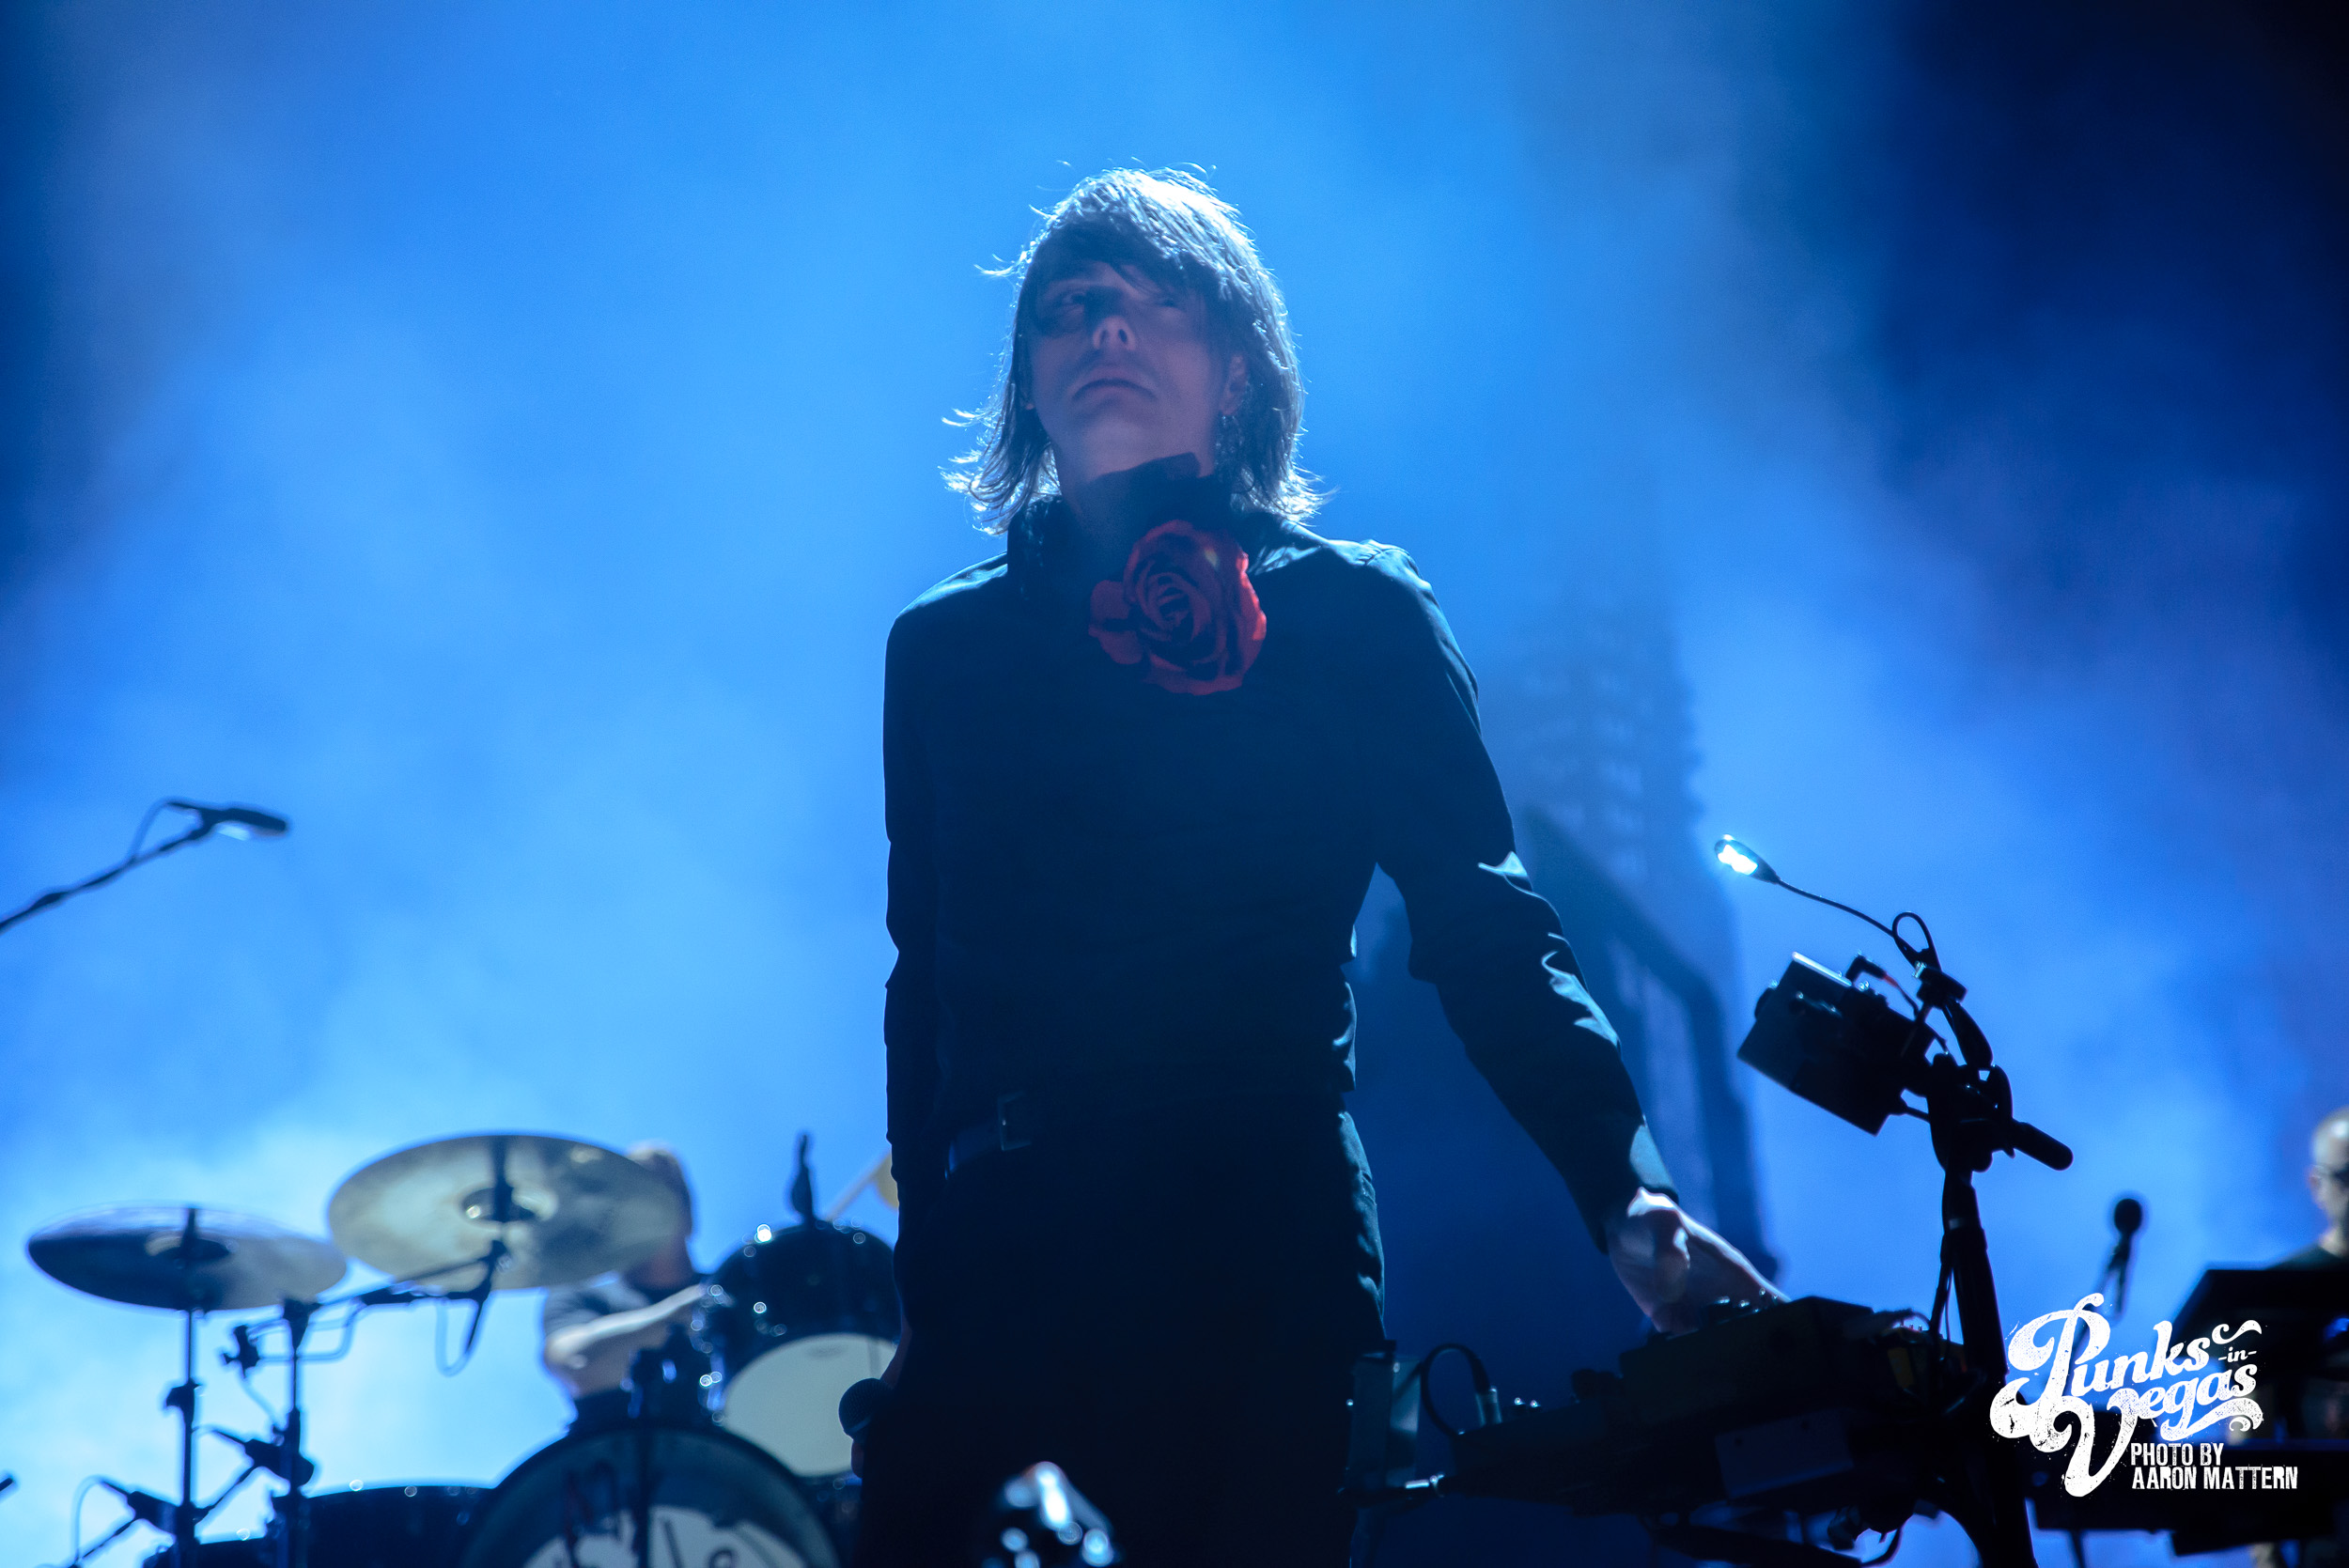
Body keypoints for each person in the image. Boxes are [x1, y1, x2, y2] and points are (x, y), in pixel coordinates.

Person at [857, 169, 1780, 1568]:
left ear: (1237, 371)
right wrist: (927, 1285)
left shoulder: (1351, 615)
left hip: (1257, 1245)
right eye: (1071, 308)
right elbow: (920, 985)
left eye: (1157, 304)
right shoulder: (942, 650)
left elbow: (1486, 923)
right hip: (1004, 1259)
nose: (1107, 331)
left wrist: (1622, 1186)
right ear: (1028, 384)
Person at [540, 1141, 708, 1430]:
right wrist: (678, 1313)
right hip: (619, 1454)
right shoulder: (582, 1296)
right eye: (638, 1195)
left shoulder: (735, 1291)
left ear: (689, 1214)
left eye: (665, 1190)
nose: (654, 1207)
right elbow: (574, 1363)